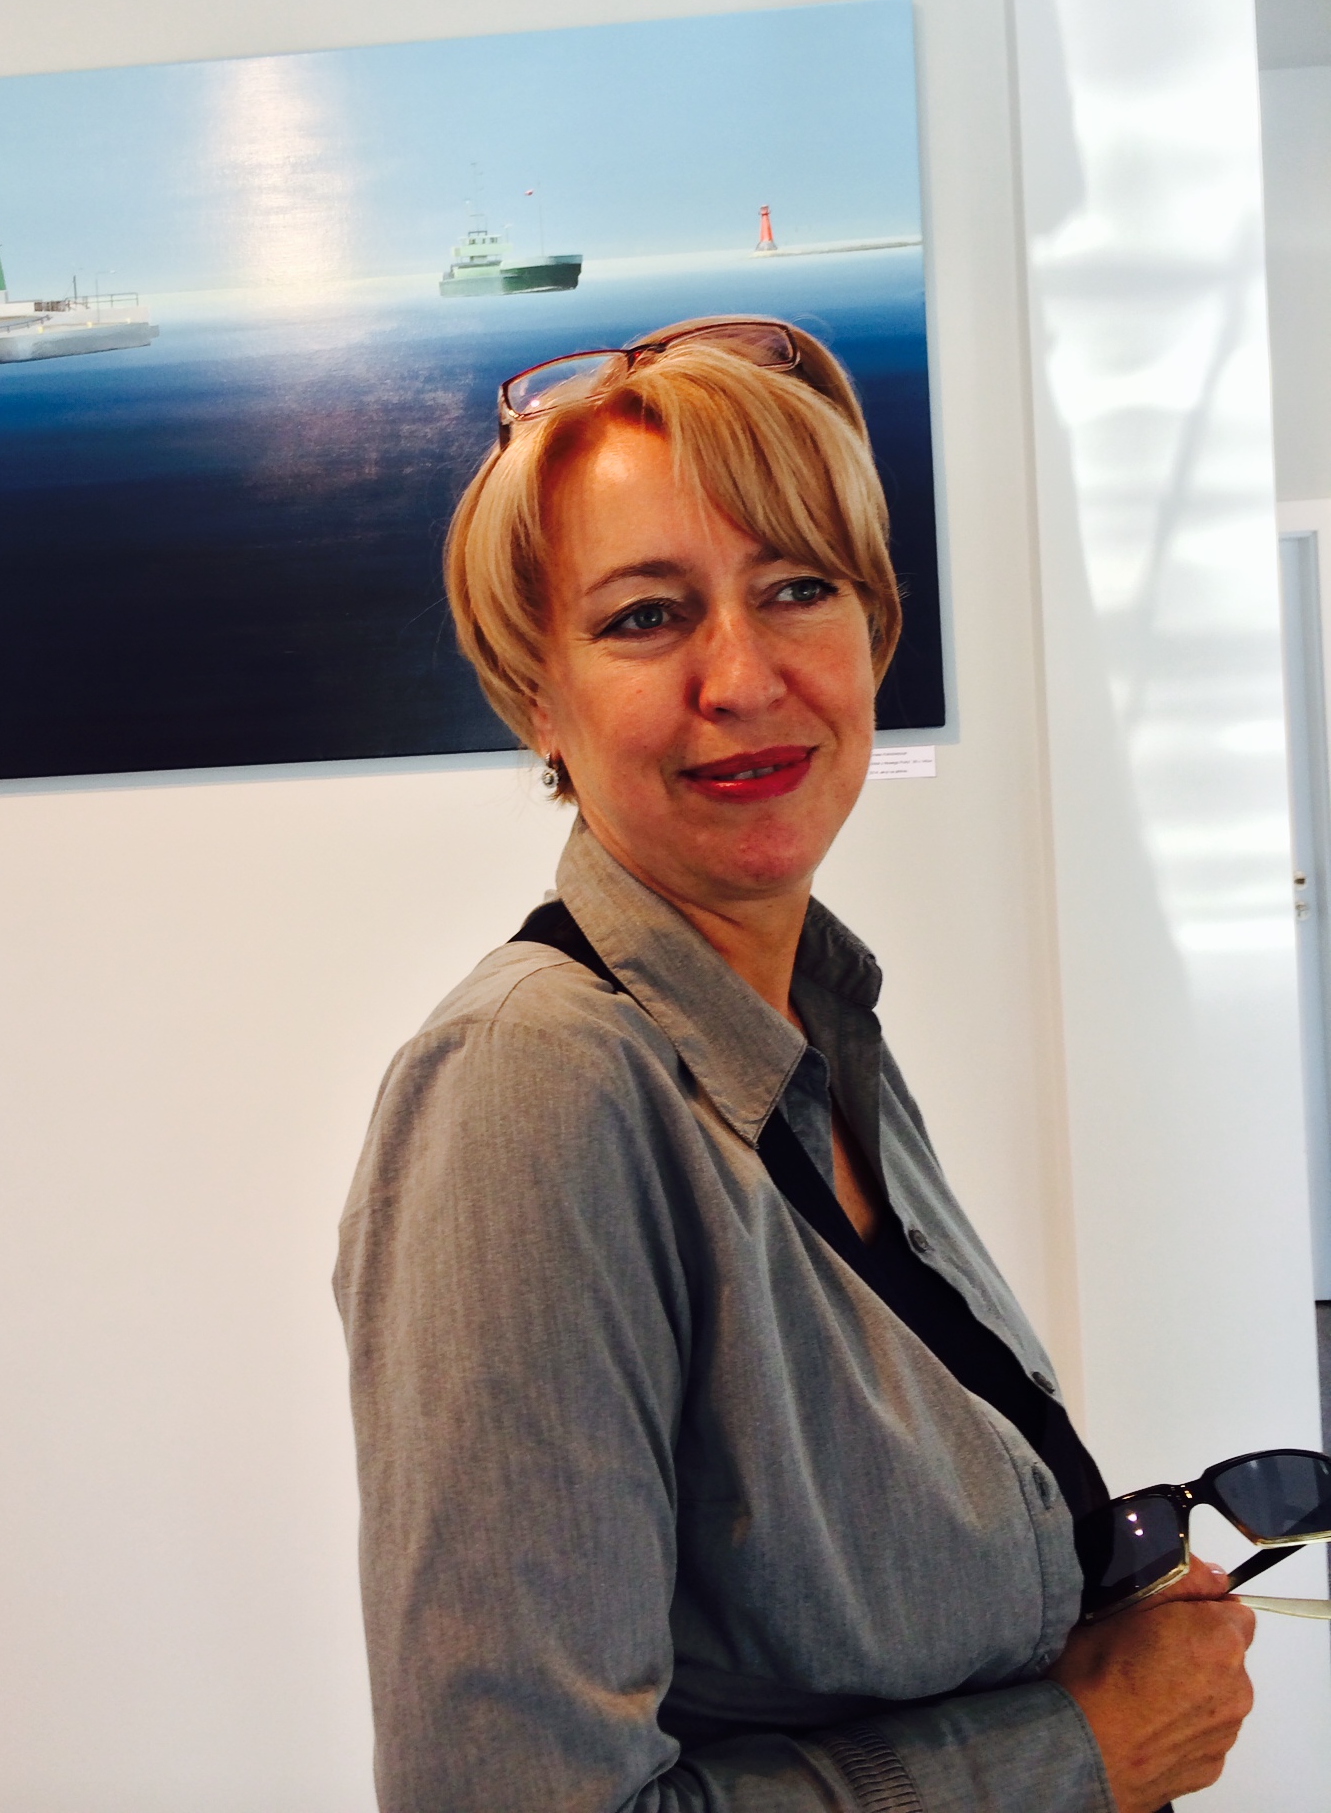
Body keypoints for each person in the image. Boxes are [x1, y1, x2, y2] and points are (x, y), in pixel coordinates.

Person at [334, 318, 1255, 1812]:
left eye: (797, 590)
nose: (745, 674)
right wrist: (1080, 1749)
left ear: (872, 634)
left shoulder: (819, 1033)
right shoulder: (534, 1085)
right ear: (537, 699)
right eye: (647, 616)